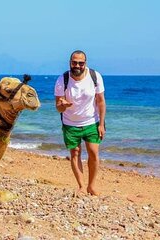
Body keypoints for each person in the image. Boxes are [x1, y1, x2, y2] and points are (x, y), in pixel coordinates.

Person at [54, 50, 106, 196]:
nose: (77, 65)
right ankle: (81, 186)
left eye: (80, 63)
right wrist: (63, 104)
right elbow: (58, 107)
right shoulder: (62, 80)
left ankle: (92, 186)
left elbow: (101, 102)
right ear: (70, 62)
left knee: (94, 153)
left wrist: (101, 124)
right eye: (74, 62)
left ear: (85, 64)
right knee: (75, 153)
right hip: (70, 124)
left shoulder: (95, 76)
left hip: (91, 121)